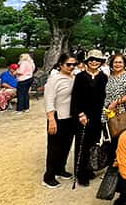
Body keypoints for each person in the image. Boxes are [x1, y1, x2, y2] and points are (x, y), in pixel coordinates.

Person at [70, 49, 108, 186]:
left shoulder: (103, 77)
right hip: (83, 116)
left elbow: (105, 97)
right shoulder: (80, 77)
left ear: (100, 62)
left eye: (97, 60)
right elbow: (75, 97)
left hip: (97, 116)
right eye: (91, 59)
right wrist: (80, 113)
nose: (94, 62)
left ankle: (90, 167)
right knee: (82, 144)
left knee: (94, 142)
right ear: (87, 61)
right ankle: (80, 173)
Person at [42, 53, 78, 189]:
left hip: (70, 117)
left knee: (66, 145)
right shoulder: (54, 79)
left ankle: (60, 169)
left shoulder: (74, 77)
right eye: (68, 64)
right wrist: (51, 119)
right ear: (61, 64)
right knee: (54, 147)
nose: (71, 67)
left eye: (74, 64)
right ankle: (49, 176)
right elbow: (49, 100)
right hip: (57, 117)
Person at [102, 54, 126, 155]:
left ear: (124, 64)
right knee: (111, 138)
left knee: (123, 139)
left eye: (120, 62)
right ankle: (113, 162)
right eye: (115, 62)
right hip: (109, 112)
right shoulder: (110, 77)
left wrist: (116, 102)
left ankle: (123, 163)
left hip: (123, 112)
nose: (117, 64)